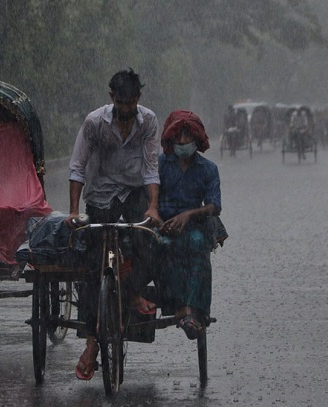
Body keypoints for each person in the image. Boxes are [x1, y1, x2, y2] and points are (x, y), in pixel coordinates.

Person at [65, 68, 162, 380]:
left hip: (134, 195)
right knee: (93, 268)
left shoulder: (148, 122)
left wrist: (153, 206)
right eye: (121, 103)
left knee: (146, 246)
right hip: (101, 198)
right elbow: (78, 166)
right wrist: (73, 210)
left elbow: (150, 168)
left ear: (138, 99)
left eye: (131, 102)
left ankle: (132, 292)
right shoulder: (95, 123)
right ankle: (92, 342)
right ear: (112, 99)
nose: (126, 109)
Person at [156, 110, 221, 340]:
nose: (183, 142)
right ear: (171, 139)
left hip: (195, 226)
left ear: (197, 139)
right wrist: (160, 222)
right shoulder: (159, 165)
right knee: (163, 246)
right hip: (162, 224)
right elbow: (148, 197)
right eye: (179, 137)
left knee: (197, 246)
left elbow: (214, 206)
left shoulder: (208, 169)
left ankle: (196, 310)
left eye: (188, 137)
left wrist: (188, 215)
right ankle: (178, 308)